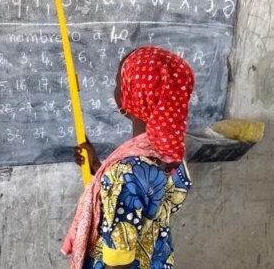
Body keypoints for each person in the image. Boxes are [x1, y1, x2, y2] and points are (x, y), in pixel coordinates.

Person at [63, 46, 195, 269]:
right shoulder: (173, 158)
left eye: (119, 83)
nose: (116, 89)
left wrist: (111, 177)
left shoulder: (124, 173)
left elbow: (118, 260)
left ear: (133, 96)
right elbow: (145, 200)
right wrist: (98, 167)